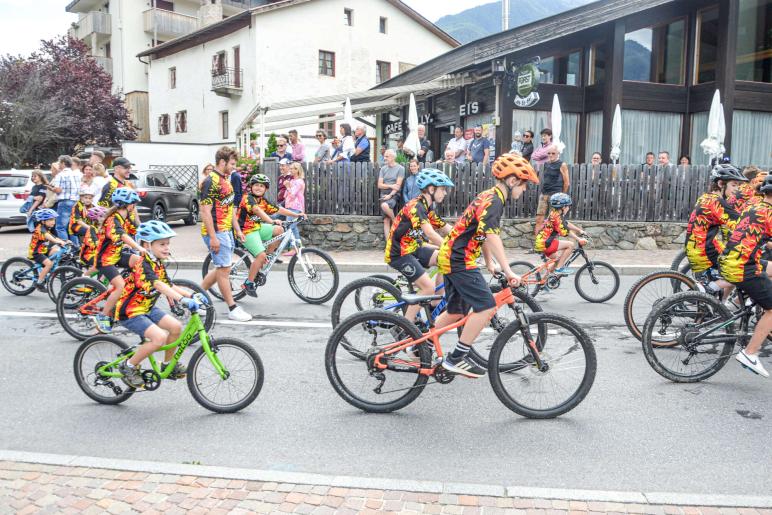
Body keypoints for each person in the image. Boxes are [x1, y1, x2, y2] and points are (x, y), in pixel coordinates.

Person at [434, 154, 538, 377]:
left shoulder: (489, 195)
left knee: (454, 312)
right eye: (524, 185)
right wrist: (508, 270)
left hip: (453, 256)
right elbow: (491, 235)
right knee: (488, 306)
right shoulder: (495, 201)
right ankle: (456, 358)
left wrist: (490, 263)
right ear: (513, 181)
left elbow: (481, 233)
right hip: (458, 259)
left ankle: (420, 344)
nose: (525, 190)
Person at [116, 221, 208, 388]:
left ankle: (168, 365)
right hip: (131, 311)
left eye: (168, 244)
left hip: (147, 308)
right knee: (159, 338)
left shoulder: (157, 262)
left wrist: (192, 294)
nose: (166, 248)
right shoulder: (142, 263)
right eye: (162, 244)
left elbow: (169, 284)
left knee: (176, 327)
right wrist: (182, 300)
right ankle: (128, 366)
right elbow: (158, 285)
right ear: (146, 245)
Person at [719, 174, 772, 377]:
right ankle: (750, 353)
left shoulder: (755, 207)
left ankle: (745, 304)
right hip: (743, 266)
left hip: (732, 260)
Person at [384, 169, 453, 325]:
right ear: (431, 189)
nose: (445, 193)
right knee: (427, 287)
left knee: (445, 258)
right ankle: (405, 327)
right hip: (399, 253)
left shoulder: (427, 208)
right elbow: (430, 233)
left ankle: (436, 304)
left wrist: (464, 240)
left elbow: (446, 228)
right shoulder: (416, 206)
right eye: (443, 189)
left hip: (413, 247)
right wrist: (450, 247)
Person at [200, 146, 252, 322]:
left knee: (221, 267)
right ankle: (232, 308)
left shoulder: (226, 180)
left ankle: (196, 298)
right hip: (216, 231)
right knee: (224, 270)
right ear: (222, 162)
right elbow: (205, 212)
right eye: (231, 163)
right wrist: (213, 237)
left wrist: (237, 230)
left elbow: (229, 210)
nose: (234, 167)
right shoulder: (210, 181)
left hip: (225, 230)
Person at [684, 164, 747, 298]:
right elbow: (740, 224)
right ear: (720, 183)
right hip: (705, 250)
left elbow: (727, 223)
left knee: (733, 269)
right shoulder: (716, 202)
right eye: (734, 185)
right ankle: (708, 291)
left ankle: (719, 306)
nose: (737, 189)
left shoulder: (706, 197)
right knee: (740, 272)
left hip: (696, 247)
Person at [240, 174, 303, 297]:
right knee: (260, 255)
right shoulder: (247, 198)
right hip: (246, 231)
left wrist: (297, 215)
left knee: (279, 230)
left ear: (266, 189)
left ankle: (268, 256)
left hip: (257, 227)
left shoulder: (263, 200)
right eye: (256, 185)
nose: (259, 188)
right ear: (251, 187)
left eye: (262, 186)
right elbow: (257, 210)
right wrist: (271, 221)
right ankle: (248, 283)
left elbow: (278, 209)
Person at [93, 188, 146, 333]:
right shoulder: (112, 220)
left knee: (140, 262)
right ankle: (103, 317)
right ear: (129, 205)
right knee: (120, 286)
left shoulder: (124, 218)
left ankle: (125, 295)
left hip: (117, 254)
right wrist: (139, 248)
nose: (135, 208)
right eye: (134, 204)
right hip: (105, 259)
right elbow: (123, 236)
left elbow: (137, 230)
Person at [534, 193, 586, 275]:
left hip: (543, 242)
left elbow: (566, 223)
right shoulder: (556, 217)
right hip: (546, 243)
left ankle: (544, 282)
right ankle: (559, 269)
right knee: (570, 245)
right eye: (568, 206)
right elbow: (565, 231)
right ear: (563, 207)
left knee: (558, 259)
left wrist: (579, 230)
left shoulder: (555, 213)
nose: (568, 208)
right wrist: (579, 239)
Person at [28, 209, 69, 292]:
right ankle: (39, 283)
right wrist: (58, 241)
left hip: (44, 249)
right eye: (50, 220)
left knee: (57, 250)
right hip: (36, 252)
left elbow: (54, 237)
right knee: (49, 264)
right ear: (43, 221)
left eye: (54, 219)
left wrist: (64, 241)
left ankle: (46, 268)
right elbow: (49, 237)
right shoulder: (40, 229)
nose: (53, 222)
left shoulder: (50, 227)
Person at [534, 144, 570, 235]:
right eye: (549, 153)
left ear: (558, 153)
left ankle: (548, 244)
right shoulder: (546, 163)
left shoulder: (562, 164)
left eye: (553, 153)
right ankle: (537, 244)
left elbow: (566, 183)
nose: (550, 155)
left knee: (552, 220)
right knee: (539, 219)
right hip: (544, 193)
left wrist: (562, 196)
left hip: (555, 195)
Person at [47, 155, 82, 243]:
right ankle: (75, 247)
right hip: (75, 202)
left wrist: (51, 188)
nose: (58, 165)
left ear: (63, 163)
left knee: (60, 227)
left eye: (59, 163)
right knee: (71, 227)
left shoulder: (61, 175)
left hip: (65, 201)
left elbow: (58, 190)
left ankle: (66, 247)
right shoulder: (76, 174)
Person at [378, 149, 405, 239]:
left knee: (385, 206)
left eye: (387, 156)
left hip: (394, 194)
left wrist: (390, 195)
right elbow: (379, 185)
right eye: (384, 156)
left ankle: (395, 220)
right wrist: (391, 185)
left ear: (393, 157)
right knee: (386, 220)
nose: (384, 158)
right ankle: (388, 244)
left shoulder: (400, 169)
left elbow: (397, 186)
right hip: (383, 194)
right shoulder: (383, 168)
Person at [283, 163, 306, 255]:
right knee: (291, 227)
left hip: (296, 207)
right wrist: (287, 186)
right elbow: (286, 195)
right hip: (289, 206)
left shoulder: (299, 182)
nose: (291, 170)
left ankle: (295, 248)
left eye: (293, 169)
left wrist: (288, 187)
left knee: (291, 227)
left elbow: (292, 195)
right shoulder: (292, 181)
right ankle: (293, 248)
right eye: (291, 168)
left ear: (297, 170)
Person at [79, 205, 107, 275]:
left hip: (99, 253)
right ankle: (84, 278)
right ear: (96, 219)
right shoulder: (92, 229)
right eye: (102, 216)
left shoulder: (104, 228)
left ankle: (100, 282)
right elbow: (94, 242)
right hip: (88, 255)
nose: (105, 218)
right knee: (103, 264)